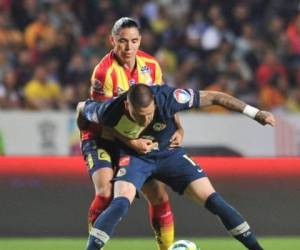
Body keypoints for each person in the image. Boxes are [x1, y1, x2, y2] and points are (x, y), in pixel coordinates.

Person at [78, 84, 275, 250]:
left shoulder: (169, 97)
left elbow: (215, 97)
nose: (144, 120)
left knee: (214, 201)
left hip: (169, 153)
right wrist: (129, 143)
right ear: (126, 105)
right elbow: (81, 109)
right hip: (135, 158)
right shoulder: (108, 109)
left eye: (148, 114)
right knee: (120, 202)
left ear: (155, 103)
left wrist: (255, 113)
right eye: (138, 115)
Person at [78, 17, 182, 250]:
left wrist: (178, 127)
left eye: (134, 41)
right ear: (112, 41)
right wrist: (133, 143)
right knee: (105, 192)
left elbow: (165, 102)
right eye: (123, 41)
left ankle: (166, 248)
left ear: (140, 41)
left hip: (133, 137)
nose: (129, 47)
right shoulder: (104, 73)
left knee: (159, 194)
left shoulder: (152, 66)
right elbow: (101, 121)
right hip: (101, 137)